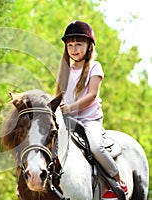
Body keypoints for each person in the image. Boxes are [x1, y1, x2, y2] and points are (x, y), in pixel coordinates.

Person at [55, 20, 128, 199]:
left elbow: (92, 95)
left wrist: (70, 107)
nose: (74, 48)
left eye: (79, 44)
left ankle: (117, 180)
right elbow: (58, 95)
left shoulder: (95, 67)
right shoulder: (65, 70)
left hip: (89, 120)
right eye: (70, 45)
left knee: (95, 147)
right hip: (67, 119)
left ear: (89, 46)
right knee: (42, 141)